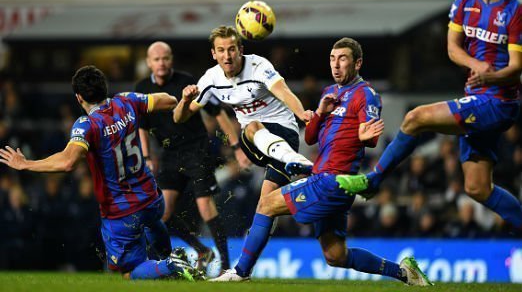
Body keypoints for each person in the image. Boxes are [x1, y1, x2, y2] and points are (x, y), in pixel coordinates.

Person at [210, 37, 432, 285]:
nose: (336, 65)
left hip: (334, 180)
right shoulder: (330, 93)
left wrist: (365, 136)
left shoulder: (365, 94)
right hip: (327, 179)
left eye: (343, 59)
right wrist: (321, 113)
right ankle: (404, 273)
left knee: (266, 204)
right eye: (332, 59)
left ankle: (240, 272)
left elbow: (369, 137)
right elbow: (310, 136)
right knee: (335, 255)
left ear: (357, 63)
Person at [338, 0, 522, 232]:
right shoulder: (464, 1)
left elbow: (516, 67)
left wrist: (491, 77)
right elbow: (452, 48)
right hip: (478, 97)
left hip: (499, 103)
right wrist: (477, 65)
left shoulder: (513, 12)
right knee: (477, 188)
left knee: (415, 118)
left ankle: (373, 180)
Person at [0, 66, 196, 280]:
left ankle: (170, 264)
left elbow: (67, 162)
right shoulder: (126, 101)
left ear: (79, 97)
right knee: (152, 221)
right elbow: (169, 100)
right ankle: (170, 258)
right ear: (105, 88)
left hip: (122, 211)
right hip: (152, 197)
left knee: (128, 272)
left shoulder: (87, 125)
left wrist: (26, 164)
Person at [173, 25, 315, 257]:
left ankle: (243, 267)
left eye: (231, 49)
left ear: (241, 49)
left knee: (266, 206)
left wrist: (302, 114)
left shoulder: (259, 66)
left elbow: (284, 91)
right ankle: (298, 163)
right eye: (221, 50)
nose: (227, 55)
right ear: (214, 53)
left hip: (284, 134)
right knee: (250, 126)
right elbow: (180, 117)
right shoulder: (211, 78)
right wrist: (184, 100)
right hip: (255, 140)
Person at [136, 41, 250, 272]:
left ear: (171, 60)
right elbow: (142, 126)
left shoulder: (187, 81)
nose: (161, 62)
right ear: (149, 63)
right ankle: (201, 250)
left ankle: (226, 267)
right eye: (156, 59)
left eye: (165, 58)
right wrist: (147, 156)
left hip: (197, 149)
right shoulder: (141, 88)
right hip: (169, 154)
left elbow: (217, 112)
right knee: (162, 213)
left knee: (205, 206)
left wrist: (236, 146)